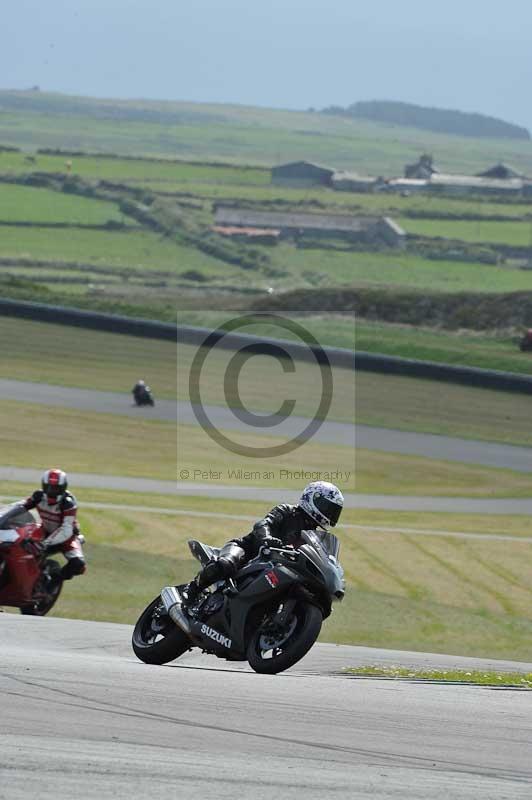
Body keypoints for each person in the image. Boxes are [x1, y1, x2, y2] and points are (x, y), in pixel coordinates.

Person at [181, 481, 344, 609]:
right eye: (328, 507)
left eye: (334, 511)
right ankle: (192, 590)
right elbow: (263, 524)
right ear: (312, 498)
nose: (330, 514)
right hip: (249, 551)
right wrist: (267, 538)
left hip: (276, 569)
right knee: (226, 564)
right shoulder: (287, 511)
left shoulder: (314, 535)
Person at [22, 469, 86, 581]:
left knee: (78, 564)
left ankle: (55, 581)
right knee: (17, 545)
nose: (51, 491)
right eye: (49, 487)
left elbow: (66, 529)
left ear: (63, 488)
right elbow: (20, 507)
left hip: (67, 538)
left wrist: (44, 544)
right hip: (44, 531)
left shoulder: (68, 503)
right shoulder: (38, 496)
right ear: (44, 486)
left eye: (56, 488)